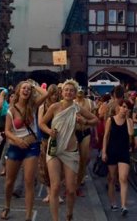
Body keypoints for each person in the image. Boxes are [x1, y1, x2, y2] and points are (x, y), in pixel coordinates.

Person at [40, 79, 98, 221]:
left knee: (71, 190)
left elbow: (95, 120)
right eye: (66, 90)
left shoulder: (77, 108)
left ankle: (69, 215)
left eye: (71, 90)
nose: (68, 92)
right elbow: (41, 122)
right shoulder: (54, 107)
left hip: (70, 150)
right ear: (62, 92)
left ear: (75, 93)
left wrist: (85, 122)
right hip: (54, 148)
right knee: (55, 187)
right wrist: (49, 131)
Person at [1, 81, 50, 221]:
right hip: (16, 147)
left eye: (29, 89)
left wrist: (33, 85)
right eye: (24, 88)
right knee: (10, 181)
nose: (26, 90)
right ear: (18, 91)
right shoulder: (11, 110)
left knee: (29, 181)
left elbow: (45, 93)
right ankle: (7, 206)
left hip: (32, 147)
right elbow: (7, 131)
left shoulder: (33, 106)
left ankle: (28, 215)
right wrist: (17, 140)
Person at [102, 100, 134, 216]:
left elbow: (131, 133)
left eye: (127, 108)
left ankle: (124, 205)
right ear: (119, 107)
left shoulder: (129, 121)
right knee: (112, 178)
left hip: (124, 152)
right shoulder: (111, 120)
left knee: (123, 178)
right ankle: (113, 202)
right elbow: (106, 137)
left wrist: (128, 119)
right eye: (123, 107)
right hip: (112, 151)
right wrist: (104, 151)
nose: (125, 109)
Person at [37, 84, 60, 204]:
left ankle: (56, 193)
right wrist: (49, 132)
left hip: (59, 140)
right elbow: (41, 123)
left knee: (57, 167)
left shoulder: (60, 106)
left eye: (56, 94)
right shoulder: (43, 107)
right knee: (45, 167)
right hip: (46, 139)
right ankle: (49, 192)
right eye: (52, 94)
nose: (55, 96)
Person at [74, 87, 93, 197]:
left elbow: (94, 119)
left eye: (81, 91)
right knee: (74, 159)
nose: (80, 93)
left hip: (86, 131)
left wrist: (94, 134)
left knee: (84, 159)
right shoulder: (72, 102)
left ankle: (79, 182)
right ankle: (72, 181)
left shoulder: (90, 103)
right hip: (74, 132)